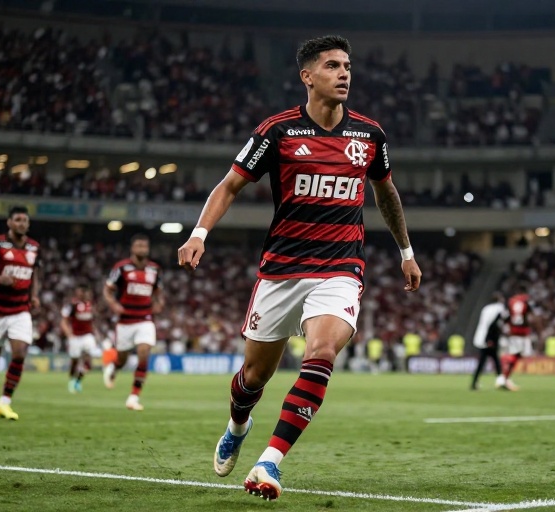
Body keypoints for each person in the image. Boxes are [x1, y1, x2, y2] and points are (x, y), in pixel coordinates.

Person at [177, 35, 422, 501]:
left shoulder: (370, 135)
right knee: (254, 377)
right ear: (307, 76)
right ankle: (238, 425)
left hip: (340, 267)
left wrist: (406, 252)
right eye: (332, 66)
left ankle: (270, 461)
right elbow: (229, 186)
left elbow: (386, 192)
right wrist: (199, 234)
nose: (344, 73)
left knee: (322, 352)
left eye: (347, 65)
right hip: (282, 270)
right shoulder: (278, 131)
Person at [0, 205, 41, 421]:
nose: (22, 223)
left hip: (20, 310)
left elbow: (34, 273)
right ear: (9, 223)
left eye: (25, 220)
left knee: (19, 353)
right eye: (17, 220)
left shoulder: (34, 247)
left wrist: (34, 295)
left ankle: (5, 403)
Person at [102, 234, 165, 411]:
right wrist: (113, 304)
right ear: (132, 248)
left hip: (145, 318)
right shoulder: (121, 268)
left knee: (144, 353)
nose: (142, 249)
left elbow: (159, 291)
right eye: (138, 246)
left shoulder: (154, 269)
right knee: (122, 359)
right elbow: (107, 290)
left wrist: (159, 303)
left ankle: (134, 397)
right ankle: (114, 367)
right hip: (125, 321)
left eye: (144, 246)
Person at [497, 285, 540, 391]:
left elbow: (505, 317)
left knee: (517, 354)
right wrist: (539, 329)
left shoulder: (510, 301)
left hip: (513, 331)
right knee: (515, 354)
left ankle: (505, 377)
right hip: (523, 331)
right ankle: (503, 377)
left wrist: (507, 328)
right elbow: (533, 316)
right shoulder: (526, 300)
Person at [61, 283, 97, 393]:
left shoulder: (90, 305)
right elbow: (64, 321)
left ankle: (78, 380)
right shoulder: (72, 305)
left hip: (87, 336)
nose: (82, 294)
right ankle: (72, 380)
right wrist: (69, 334)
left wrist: (95, 332)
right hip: (75, 337)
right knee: (74, 361)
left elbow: (91, 322)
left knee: (88, 360)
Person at [470, 292, 506, 390]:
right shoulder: (499, 308)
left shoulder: (486, 308)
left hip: (482, 337)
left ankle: (475, 382)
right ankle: (500, 381)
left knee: (486, 361)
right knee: (493, 361)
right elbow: (494, 324)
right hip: (490, 338)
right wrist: (490, 339)